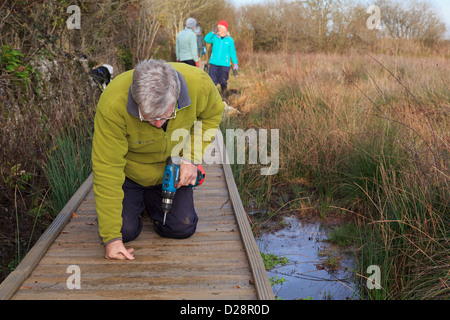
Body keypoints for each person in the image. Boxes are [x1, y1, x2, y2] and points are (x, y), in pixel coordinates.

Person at [92, 59, 224, 260]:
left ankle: (149, 203)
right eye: (148, 117)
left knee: (182, 226)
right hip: (131, 174)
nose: (158, 124)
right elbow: (107, 168)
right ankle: (139, 201)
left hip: (173, 170)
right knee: (124, 232)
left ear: (176, 96)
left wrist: (190, 158)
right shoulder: (112, 103)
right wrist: (111, 239)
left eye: (165, 115)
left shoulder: (199, 84)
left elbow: (213, 115)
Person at [204, 20, 238, 93]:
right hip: (213, 63)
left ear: (224, 29)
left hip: (224, 64)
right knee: (212, 81)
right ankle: (213, 96)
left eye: (219, 27)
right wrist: (212, 32)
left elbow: (233, 52)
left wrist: (235, 63)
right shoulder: (215, 37)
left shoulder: (230, 40)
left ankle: (224, 94)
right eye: (217, 27)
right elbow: (206, 39)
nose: (218, 29)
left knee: (223, 81)